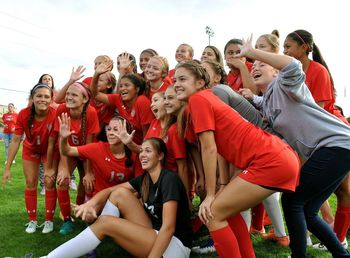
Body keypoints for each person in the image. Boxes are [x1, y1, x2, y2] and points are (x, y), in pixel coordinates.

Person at [237, 35, 350, 258]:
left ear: (276, 71)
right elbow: (265, 105)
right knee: (308, 210)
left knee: (292, 200)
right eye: (254, 66)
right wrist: (250, 96)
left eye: (262, 64)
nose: (255, 67)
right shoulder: (267, 100)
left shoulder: (286, 83)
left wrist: (253, 52)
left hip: (337, 145)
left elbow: (293, 65)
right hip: (333, 150)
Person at [173, 60, 300, 258]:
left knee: (212, 213)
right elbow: (222, 150)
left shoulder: (199, 100)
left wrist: (210, 195)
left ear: (199, 83)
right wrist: (222, 185)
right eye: (174, 80)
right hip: (278, 156)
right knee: (227, 211)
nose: (176, 84)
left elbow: (209, 148)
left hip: (271, 160)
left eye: (182, 79)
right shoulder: (204, 99)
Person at [40, 138, 193, 258]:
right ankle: (100, 233)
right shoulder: (145, 179)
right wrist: (91, 204)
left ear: (160, 156)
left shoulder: (169, 179)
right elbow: (111, 190)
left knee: (106, 222)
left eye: (148, 151)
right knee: (119, 193)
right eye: (141, 151)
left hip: (174, 247)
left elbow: (168, 228)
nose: (142, 155)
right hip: (155, 235)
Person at [283, 29, 350, 251]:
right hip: (317, 137)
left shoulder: (318, 71)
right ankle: (338, 246)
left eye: (288, 47)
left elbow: (317, 113)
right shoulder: (289, 73)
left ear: (304, 48)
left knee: (300, 199)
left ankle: (338, 236)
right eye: (283, 48)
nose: (285, 51)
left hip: (329, 133)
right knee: (308, 206)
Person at [2, 83, 58, 234]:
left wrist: (50, 168)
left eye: (46, 96)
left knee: (49, 181)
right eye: (39, 96)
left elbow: (52, 143)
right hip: (31, 149)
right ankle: (32, 220)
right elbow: (15, 140)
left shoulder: (54, 114)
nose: (43, 99)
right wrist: (7, 168)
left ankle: (49, 220)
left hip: (49, 150)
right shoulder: (23, 114)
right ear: (32, 98)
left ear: (51, 99)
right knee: (30, 182)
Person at [54, 81, 100, 235]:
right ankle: (67, 220)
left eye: (74, 94)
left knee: (88, 182)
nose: (69, 97)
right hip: (67, 150)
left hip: (85, 151)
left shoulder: (91, 112)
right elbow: (62, 142)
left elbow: (89, 145)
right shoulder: (62, 109)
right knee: (62, 181)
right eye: (67, 94)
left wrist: (88, 172)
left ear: (85, 99)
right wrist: (65, 169)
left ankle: (81, 213)